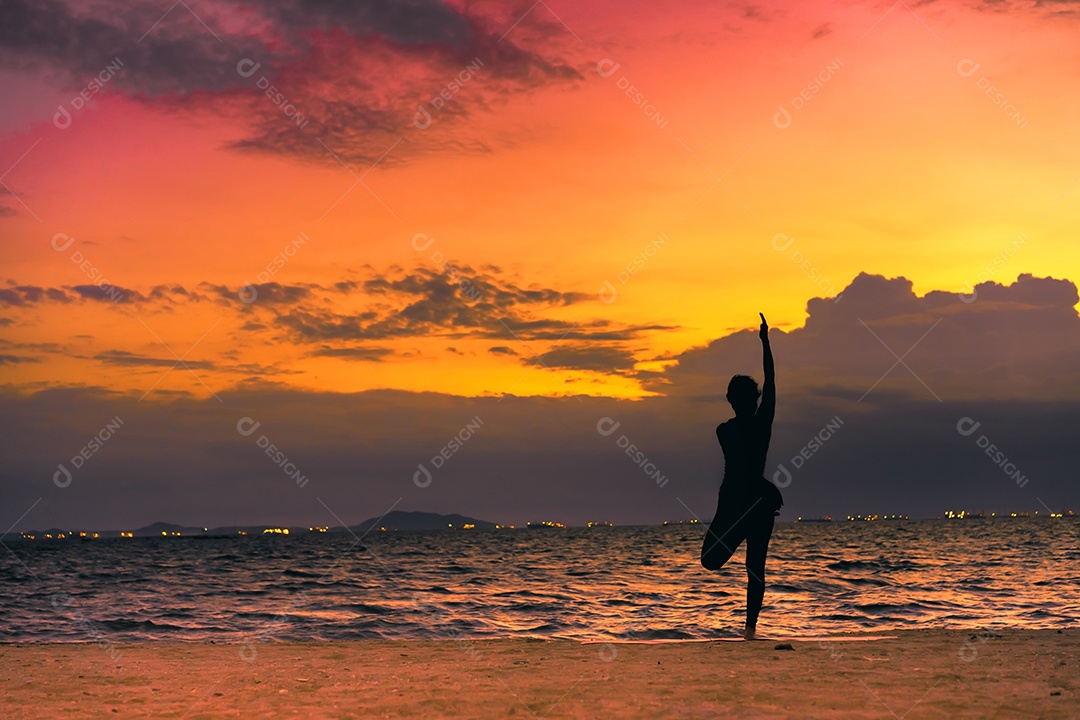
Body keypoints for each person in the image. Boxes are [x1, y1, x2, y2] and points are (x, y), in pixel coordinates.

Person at [700, 312, 783, 640]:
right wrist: (765, 342)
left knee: (747, 567)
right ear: (754, 400)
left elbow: (771, 382)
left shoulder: (726, 431)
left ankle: (750, 632)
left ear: (731, 401)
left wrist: (765, 342)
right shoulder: (751, 426)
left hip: (742, 504)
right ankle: (749, 630)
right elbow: (772, 379)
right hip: (751, 504)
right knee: (742, 566)